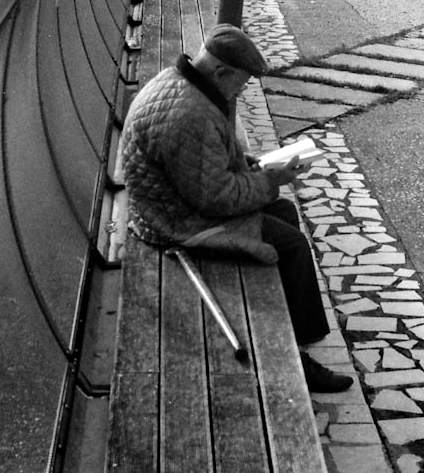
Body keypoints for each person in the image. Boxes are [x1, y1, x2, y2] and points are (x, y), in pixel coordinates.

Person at [120, 23, 353, 393]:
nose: (240, 93)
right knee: (289, 245)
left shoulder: (185, 86)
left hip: (175, 203)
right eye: (240, 85)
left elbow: (207, 164)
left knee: (284, 215)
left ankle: (302, 332)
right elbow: (217, 199)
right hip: (173, 223)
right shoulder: (190, 115)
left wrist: (254, 165)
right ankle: (292, 358)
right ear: (221, 71)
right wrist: (270, 180)